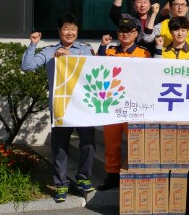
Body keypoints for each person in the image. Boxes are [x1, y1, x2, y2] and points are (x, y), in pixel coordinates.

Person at [20, 13, 96, 203]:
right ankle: (61, 183)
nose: (70, 32)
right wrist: (33, 44)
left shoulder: (85, 50)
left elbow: (94, 69)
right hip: (61, 105)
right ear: (59, 31)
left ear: (77, 31)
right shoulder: (48, 52)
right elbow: (27, 66)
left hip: (83, 104)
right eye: (66, 28)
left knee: (88, 143)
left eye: (73, 29)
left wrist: (70, 57)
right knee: (60, 146)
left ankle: (83, 177)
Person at [96, 16, 152, 191]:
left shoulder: (144, 53)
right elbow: (96, 66)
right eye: (122, 31)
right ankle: (112, 175)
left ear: (136, 34)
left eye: (129, 31)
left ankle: (134, 173)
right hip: (112, 104)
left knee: (136, 141)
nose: (125, 34)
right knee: (111, 142)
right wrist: (102, 46)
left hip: (134, 105)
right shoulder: (110, 51)